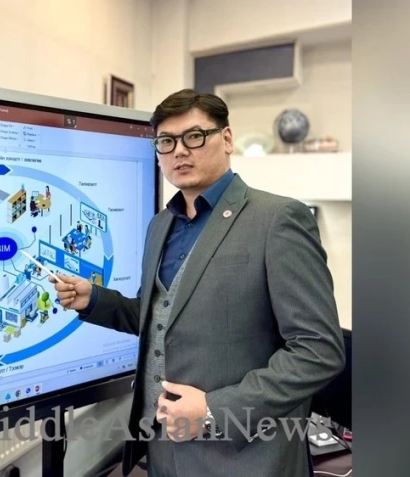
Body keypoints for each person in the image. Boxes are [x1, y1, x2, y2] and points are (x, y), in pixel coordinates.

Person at [51, 89, 345, 477]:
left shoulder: (277, 219)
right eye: (166, 142)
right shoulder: (160, 225)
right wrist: (94, 300)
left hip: (244, 461)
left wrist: (213, 411)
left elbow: (318, 350)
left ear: (227, 139)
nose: (179, 151)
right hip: (163, 452)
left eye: (194, 136)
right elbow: (161, 319)